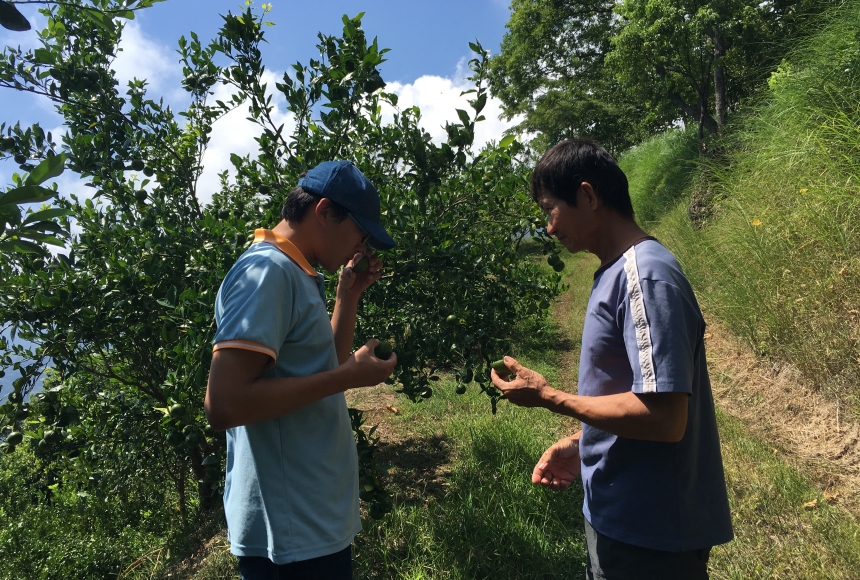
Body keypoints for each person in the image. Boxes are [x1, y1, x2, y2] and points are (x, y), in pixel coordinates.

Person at [490, 139, 733, 579]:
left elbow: (664, 418)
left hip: (651, 535)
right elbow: (631, 393)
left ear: (587, 196)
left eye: (550, 210)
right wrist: (584, 445)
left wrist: (549, 396)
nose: (548, 227)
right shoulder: (616, 272)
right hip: (622, 520)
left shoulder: (645, 276)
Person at [205, 160, 398, 580]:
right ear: (325, 211)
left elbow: (319, 367)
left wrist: (348, 296)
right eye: (360, 233)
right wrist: (348, 377)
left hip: (310, 521)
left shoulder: (296, 271)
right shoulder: (266, 273)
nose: (362, 246)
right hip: (290, 536)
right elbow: (224, 405)